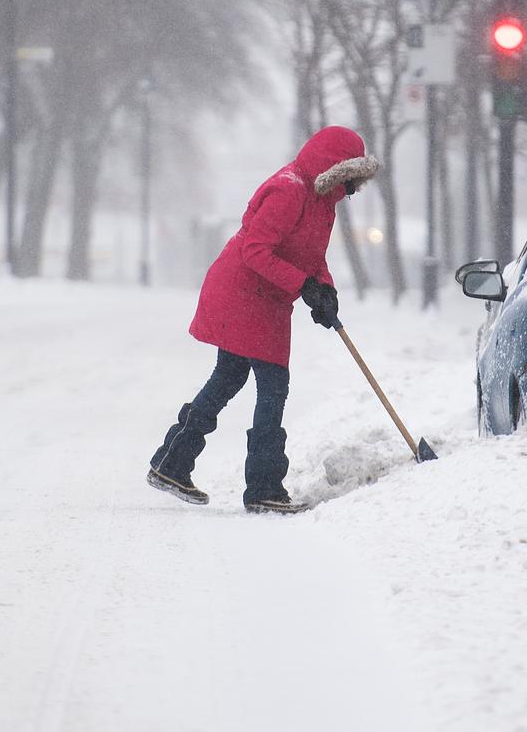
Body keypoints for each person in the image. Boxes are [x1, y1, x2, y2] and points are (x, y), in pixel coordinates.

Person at [148, 126, 379, 513]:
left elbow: (309, 253)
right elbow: (256, 249)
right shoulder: (289, 190)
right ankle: (264, 488)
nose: (354, 189)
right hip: (243, 292)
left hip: (267, 297)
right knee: (273, 385)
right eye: (351, 179)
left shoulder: (323, 201)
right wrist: (304, 284)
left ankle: (172, 463)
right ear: (335, 170)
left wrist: (324, 289)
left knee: (229, 377)